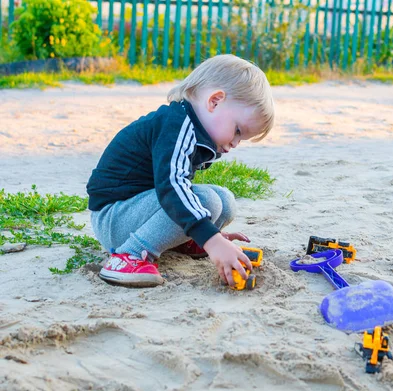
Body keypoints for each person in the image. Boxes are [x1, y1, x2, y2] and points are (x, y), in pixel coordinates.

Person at [86, 54, 275, 288]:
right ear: (215, 101)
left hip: (138, 211)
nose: (236, 143)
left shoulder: (190, 127)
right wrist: (212, 239)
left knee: (224, 200)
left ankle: (183, 240)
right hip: (114, 218)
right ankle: (129, 256)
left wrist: (205, 235)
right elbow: (173, 188)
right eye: (238, 130)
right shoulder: (176, 126)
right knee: (207, 201)